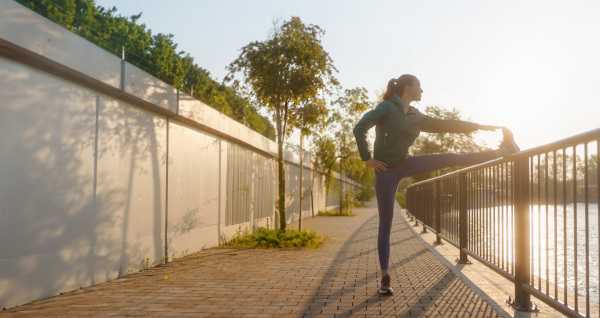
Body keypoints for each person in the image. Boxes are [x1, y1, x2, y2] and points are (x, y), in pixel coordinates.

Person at [353, 74, 519, 295]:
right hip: (386, 172)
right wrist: (367, 159)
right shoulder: (386, 108)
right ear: (408, 88)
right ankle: (385, 278)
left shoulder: (415, 115)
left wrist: (482, 127)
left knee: (452, 157)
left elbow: (447, 125)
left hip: (406, 163)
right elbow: (360, 128)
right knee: (386, 224)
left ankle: (504, 151)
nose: (422, 90)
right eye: (419, 86)